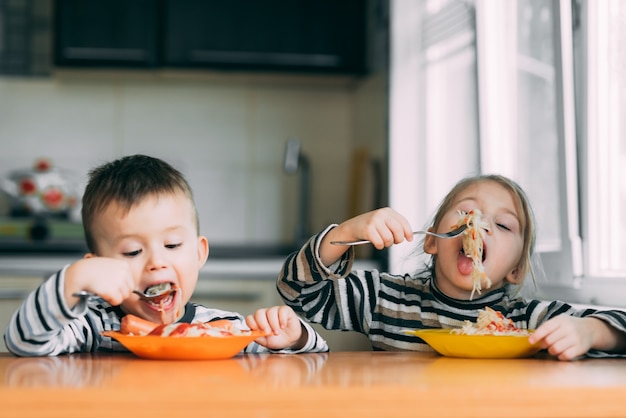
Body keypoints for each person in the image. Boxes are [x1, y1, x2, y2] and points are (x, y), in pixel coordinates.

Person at [4, 154, 328, 356]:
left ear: (200, 253)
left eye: (172, 245)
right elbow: (23, 341)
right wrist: (70, 282)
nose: (156, 262)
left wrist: (296, 337)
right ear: (99, 267)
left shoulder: (220, 329)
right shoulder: (93, 326)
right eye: (132, 251)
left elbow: (315, 356)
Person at [277, 174, 626, 360]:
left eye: (503, 225)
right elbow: (298, 291)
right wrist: (346, 232)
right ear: (432, 241)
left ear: (516, 270)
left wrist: (589, 332)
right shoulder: (385, 299)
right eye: (466, 212)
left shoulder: (526, 322)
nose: (480, 225)